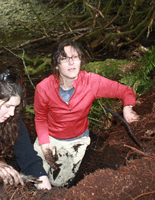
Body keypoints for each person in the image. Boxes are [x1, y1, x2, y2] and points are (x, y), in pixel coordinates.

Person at [33, 40, 139, 187]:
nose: (71, 62)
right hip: (50, 138)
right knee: (36, 176)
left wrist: (127, 107)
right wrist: (45, 145)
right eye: (64, 58)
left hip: (76, 141)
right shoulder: (43, 88)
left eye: (75, 57)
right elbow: (40, 118)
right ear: (56, 64)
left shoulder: (91, 82)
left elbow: (125, 90)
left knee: (58, 184)